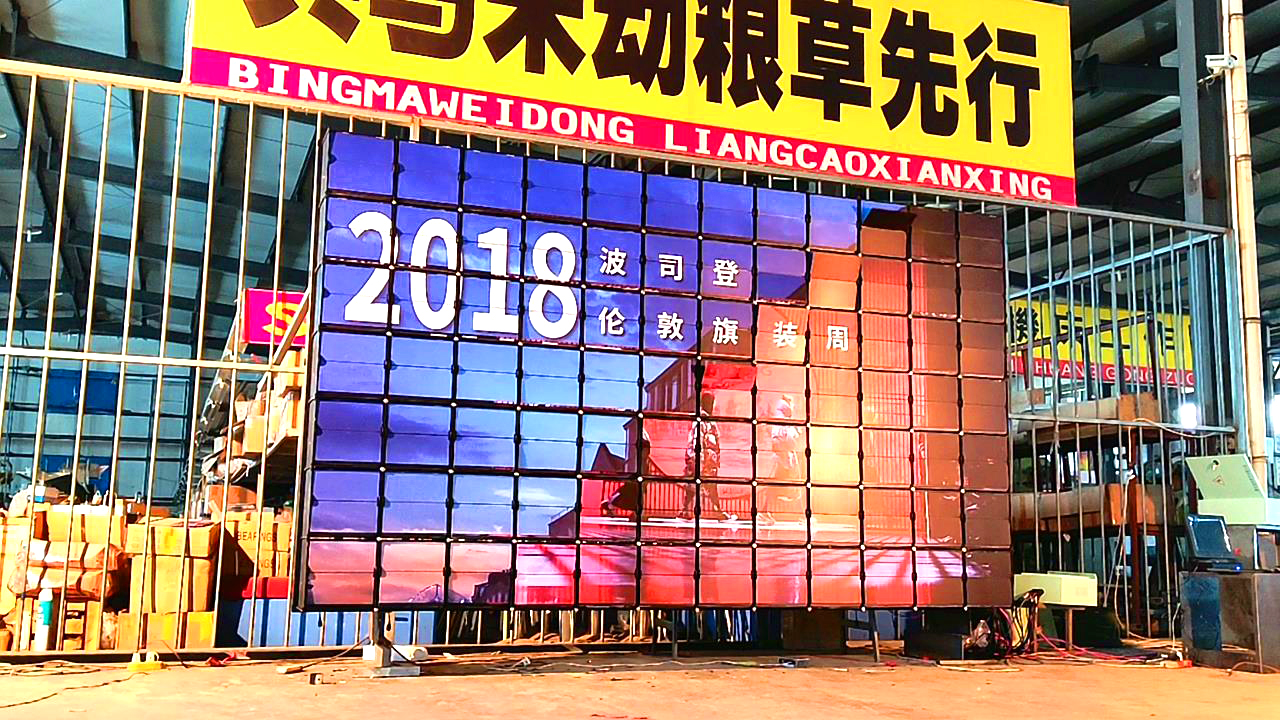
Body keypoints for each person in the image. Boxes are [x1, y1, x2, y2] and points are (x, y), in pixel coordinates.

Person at [682, 392, 733, 521]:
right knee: (696, 486)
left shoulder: (709, 421)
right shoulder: (701, 421)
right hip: (702, 461)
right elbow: (697, 441)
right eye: (711, 403)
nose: (712, 406)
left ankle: (687, 511)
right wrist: (698, 460)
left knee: (706, 487)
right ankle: (687, 511)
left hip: (708, 461)